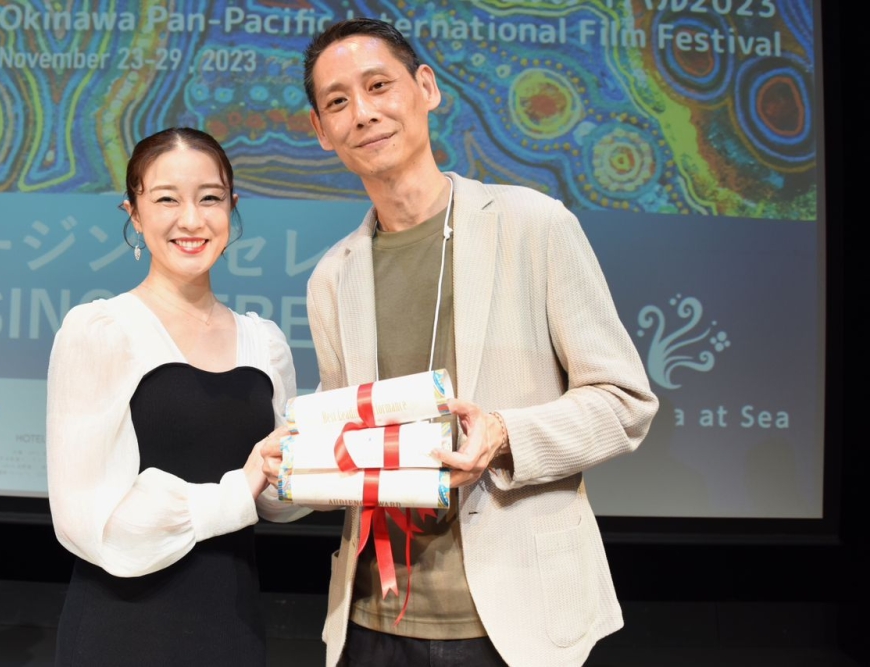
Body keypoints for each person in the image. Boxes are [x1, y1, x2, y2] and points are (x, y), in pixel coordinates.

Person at [261, 18, 659, 667]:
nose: (362, 113)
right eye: (338, 102)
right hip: (372, 614)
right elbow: (352, 433)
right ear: (320, 130)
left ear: (426, 88)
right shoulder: (333, 275)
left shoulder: (533, 225)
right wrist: (297, 463)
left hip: (514, 619)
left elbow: (624, 402)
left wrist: (503, 433)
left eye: (378, 85)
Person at [46, 127, 309, 666]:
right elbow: (93, 525)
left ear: (232, 209)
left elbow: (276, 502)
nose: (191, 219)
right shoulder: (100, 331)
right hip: (123, 630)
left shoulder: (265, 342)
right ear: (134, 213)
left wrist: (328, 462)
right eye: (166, 198)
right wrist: (241, 485)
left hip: (232, 625)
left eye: (209, 198)